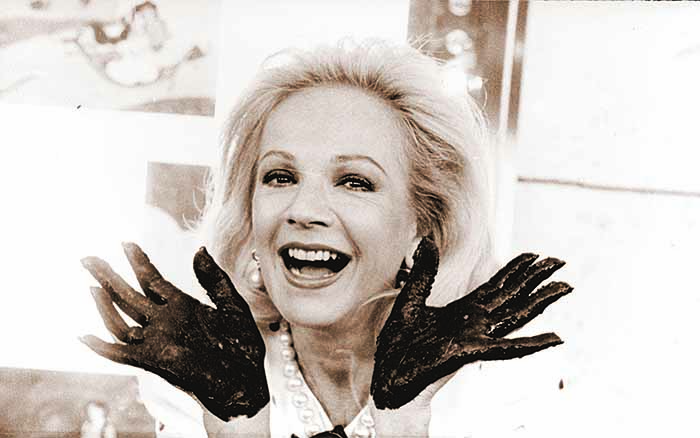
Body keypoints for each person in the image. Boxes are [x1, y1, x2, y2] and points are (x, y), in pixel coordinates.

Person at [81, 39, 571, 438]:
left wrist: (404, 427)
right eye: (279, 176)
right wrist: (237, 429)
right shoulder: (208, 373)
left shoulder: (498, 381)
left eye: (354, 182)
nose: (304, 210)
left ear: (421, 224)